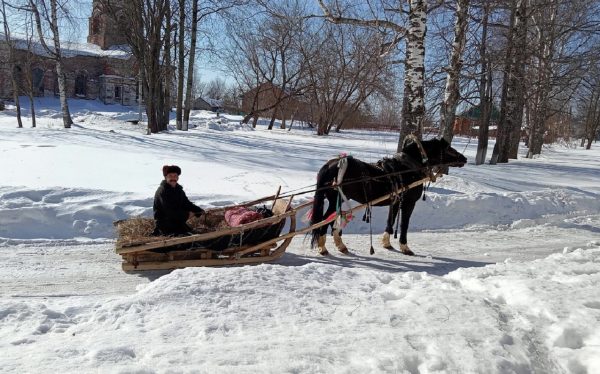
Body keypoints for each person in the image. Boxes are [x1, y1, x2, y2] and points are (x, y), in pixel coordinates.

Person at [152, 165, 204, 236]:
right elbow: (170, 212)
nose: (173, 178)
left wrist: (199, 211)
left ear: (178, 177)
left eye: (175, 176)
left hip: (177, 223)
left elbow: (186, 203)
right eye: (170, 176)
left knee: (197, 235)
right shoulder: (162, 191)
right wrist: (187, 215)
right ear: (166, 177)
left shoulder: (179, 190)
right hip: (165, 226)